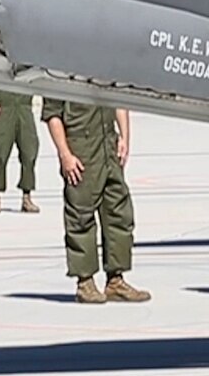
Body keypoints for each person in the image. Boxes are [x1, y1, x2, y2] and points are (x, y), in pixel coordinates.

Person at [41, 97, 148, 303]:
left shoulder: (103, 67)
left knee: (119, 212)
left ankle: (115, 281)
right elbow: (52, 115)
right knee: (80, 216)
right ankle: (85, 282)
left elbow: (119, 99)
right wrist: (65, 155)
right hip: (81, 149)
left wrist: (125, 138)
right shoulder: (60, 72)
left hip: (109, 144)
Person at [0, 87, 40, 214]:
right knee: (0, 154)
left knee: (29, 153)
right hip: (4, 109)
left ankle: (26, 196)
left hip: (24, 109)